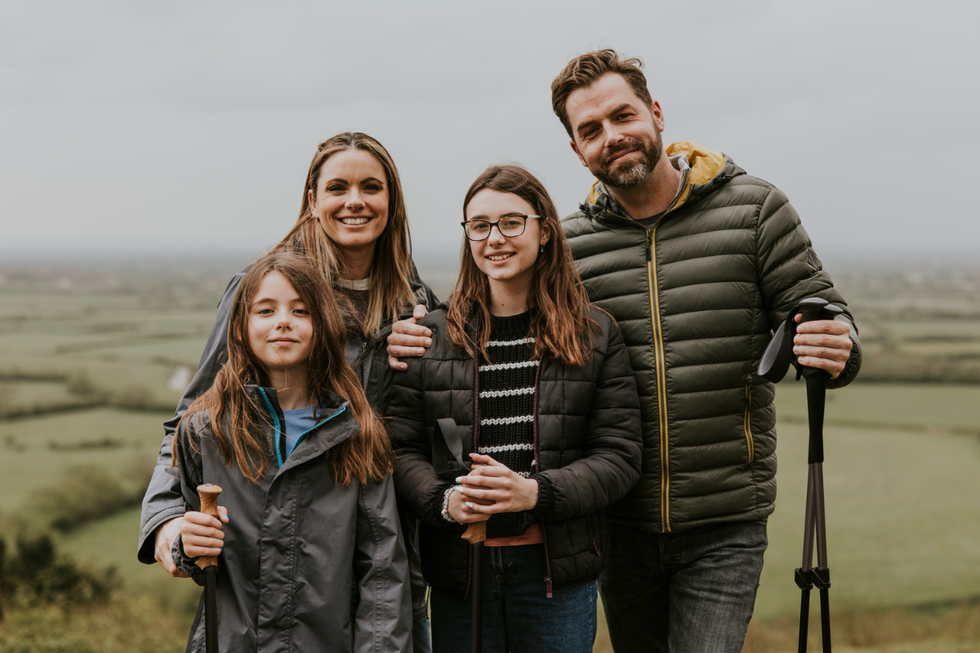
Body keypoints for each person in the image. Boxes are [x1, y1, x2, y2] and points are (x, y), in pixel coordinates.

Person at [388, 51, 862, 653]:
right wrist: (412, 334)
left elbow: (822, 316)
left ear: (655, 112)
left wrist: (836, 346)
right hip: (615, 521)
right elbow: (489, 318)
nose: (611, 137)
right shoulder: (571, 244)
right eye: (591, 130)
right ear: (577, 150)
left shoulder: (755, 210)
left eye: (622, 116)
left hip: (724, 513)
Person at [138, 132, 439, 652]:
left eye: (372, 187)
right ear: (312, 200)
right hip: (276, 546)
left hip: (378, 546)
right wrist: (166, 523)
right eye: (337, 187)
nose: (354, 201)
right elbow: (193, 423)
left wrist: (431, 359)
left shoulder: (415, 305)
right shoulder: (262, 292)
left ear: (392, 202)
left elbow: (429, 428)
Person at [386, 164, 643, 653]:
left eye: (511, 222)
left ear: (544, 230)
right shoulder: (431, 337)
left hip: (555, 577)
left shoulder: (593, 334)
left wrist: (533, 493)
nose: (494, 238)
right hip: (462, 570)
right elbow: (401, 449)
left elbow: (620, 456)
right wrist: (444, 503)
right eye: (479, 226)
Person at [172, 250, 412, 652]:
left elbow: (382, 570)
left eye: (300, 311)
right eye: (265, 311)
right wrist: (186, 546)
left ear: (323, 324)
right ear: (240, 327)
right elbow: (193, 545)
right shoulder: (205, 431)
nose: (283, 321)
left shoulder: (357, 433)